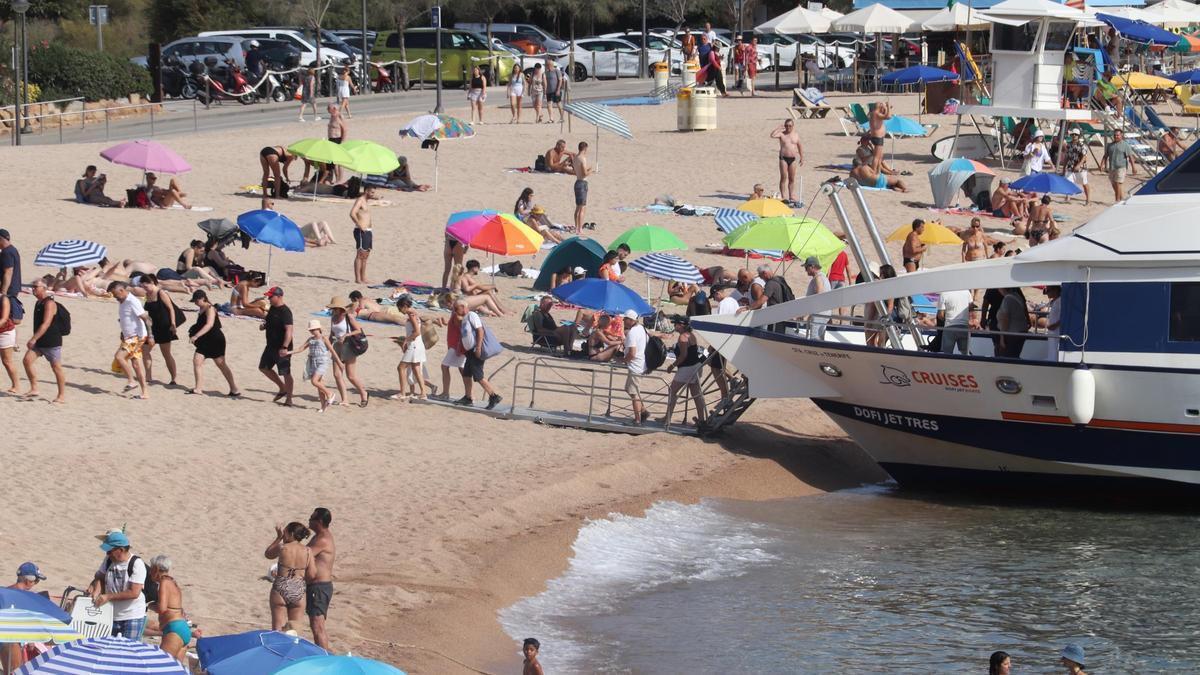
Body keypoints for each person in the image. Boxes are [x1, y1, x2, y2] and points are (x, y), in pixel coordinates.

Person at [89, 531, 148, 640]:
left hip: (132, 615)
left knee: (127, 652)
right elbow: (100, 577)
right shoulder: (108, 560)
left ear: (120, 550)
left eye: (110, 551)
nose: (107, 554)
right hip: (111, 614)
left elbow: (134, 592)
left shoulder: (136, 564)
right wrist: (96, 589)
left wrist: (108, 597)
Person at [185, 290, 239, 396]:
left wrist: (196, 336)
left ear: (202, 298)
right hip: (205, 340)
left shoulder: (210, 308)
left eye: (196, 301)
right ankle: (198, 388)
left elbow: (209, 324)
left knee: (221, 364)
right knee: (197, 361)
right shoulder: (201, 308)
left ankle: (234, 388)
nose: (195, 303)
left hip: (215, 339)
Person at [20, 279, 65, 403]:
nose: (33, 289)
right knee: (27, 361)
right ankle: (34, 388)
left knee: (56, 367)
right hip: (40, 341)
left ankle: (61, 395)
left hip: (51, 341)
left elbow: (46, 324)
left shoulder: (49, 303)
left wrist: (33, 338)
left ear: (44, 288)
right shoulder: (38, 303)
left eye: (35, 287)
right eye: (32, 286)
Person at [453, 298, 503, 409]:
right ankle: (468, 397)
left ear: (463, 307)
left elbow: (480, 330)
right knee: (466, 374)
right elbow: (465, 335)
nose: (455, 311)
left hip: (475, 350)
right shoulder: (464, 319)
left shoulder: (471, 315)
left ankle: (494, 396)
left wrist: (479, 348)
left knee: (478, 376)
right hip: (469, 351)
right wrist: (460, 347)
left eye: (456, 308)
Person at [265, 522, 313, 631]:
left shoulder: (282, 547)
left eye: (285, 533)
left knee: (277, 630)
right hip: (298, 588)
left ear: (291, 534)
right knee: (294, 631)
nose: (284, 535)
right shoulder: (308, 551)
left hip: (281, 586)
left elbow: (268, 554)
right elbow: (312, 574)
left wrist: (278, 538)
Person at [109, 281, 151, 399]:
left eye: (115, 293)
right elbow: (126, 319)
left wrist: (151, 336)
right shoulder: (122, 301)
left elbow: (146, 318)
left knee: (119, 357)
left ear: (122, 290)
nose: (114, 296)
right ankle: (145, 393)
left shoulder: (132, 301)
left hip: (136, 337)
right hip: (129, 336)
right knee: (136, 364)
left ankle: (131, 381)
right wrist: (123, 332)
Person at [662, 316, 705, 430]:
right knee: (696, 395)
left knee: (672, 390)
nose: (674, 326)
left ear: (681, 325)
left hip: (687, 368)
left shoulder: (682, 337)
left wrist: (672, 366)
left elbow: (683, 355)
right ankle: (702, 420)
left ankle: (667, 418)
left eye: (676, 324)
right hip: (696, 366)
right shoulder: (692, 335)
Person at [289, 319, 341, 412]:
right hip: (313, 363)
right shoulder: (310, 339)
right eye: (311, 330)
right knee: (319, 385)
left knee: (314, 381)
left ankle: (330, 394)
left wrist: (339, 362)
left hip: (322, 362)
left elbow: (332, 351)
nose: (312, 331)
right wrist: (288, 352)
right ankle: (323, 406)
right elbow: (301, 349)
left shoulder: (324, 338)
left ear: (319, 328)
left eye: (314, 329)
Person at [138, 274, 181, 386]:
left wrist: (173, 323)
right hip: (152, 327)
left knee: (166, 353)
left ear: (152, 283)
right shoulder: (147, 294)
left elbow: (171, 308)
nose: (145, 289)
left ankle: (174, 378)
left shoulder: (161, 293)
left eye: (146, 286)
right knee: (145, 350)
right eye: (143, 287)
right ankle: (148, 377)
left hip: (164, 327)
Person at [148, 556, 190, 664]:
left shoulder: (164, 582)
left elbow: (162, 609)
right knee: (176, 670)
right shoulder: (173, 582)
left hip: (174, 630)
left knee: (162, 667)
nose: (149, 573)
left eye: (151, 569)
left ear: (156, 569)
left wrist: (150, 605)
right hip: (182, 627)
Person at [327, 297, 367, 407]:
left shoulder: (348, 317)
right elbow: (332, 334)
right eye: (332, 308)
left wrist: (346, 335)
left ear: (340, 308)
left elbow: (358, 330)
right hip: (337, 347)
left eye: (335, 308)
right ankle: (345, 399)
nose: (333, 310)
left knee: (351, 376)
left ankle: (363, 393)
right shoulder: (333, 317)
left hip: (349, 346)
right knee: (337, 374)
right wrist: (328, 346)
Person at [306, 507, 336, 651]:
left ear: (318, 521)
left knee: (318, 626)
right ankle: (324, 655)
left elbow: (304, 556)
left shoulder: (323, 539)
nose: (309, 520)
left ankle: (325, 658)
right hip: (316, 587)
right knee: (315, 625)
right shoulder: (318, 536)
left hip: (319, 587)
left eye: (311, 518)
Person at [260, 286, 295, 405]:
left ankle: (289, 399)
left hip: (282, 347)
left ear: (279, 296)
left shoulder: (285, 312)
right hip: (270, 345)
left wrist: (284, 347)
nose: (269, 298)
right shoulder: (272, 309)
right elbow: (270, 321)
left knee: (285, 372)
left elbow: (289, 331)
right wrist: (264, 326)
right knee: (263, 368)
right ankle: (282, 387)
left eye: (271, 296)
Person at [392, 296, 427, 401]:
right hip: (418, 344)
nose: (399, 310)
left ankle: (402, 393)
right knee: (416, 370)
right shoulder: (414, 313)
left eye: (399, 308)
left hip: (414, 345)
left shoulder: (411, 315)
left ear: (405, 306)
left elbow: (417, 332)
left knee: (401, 368)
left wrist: (406, 340)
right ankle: (423, 393)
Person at [620, 309, 649, 425]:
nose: (623, 321)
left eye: (625, 319)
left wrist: (623, 360)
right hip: (640, 364)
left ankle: (638, 420)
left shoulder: (632, 333)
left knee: (633, 393)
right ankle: (643, 410)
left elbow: (632, 353)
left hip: (636, 366)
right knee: (629, 389)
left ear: (631, 320)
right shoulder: (641, 328)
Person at [436, 302, 465, 402]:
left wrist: (459, 347)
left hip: (455, 347)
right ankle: (469, 394)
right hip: (455, 346)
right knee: (462, 370)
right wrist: (445, 322)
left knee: (444, 366)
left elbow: (462, 331)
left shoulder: (457, 317)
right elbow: (454, 327)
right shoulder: (455, 316)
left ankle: (445, 393)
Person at [771, 118, 803, 206]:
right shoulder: (782, 134)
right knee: (783, 177)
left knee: (792, 178)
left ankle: (791, 196)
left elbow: (800, 146)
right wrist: (778, 128)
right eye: (786, 125)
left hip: (793, 159)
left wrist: (802, 157)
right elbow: (772, 135)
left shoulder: (796, 135)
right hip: (783, 158)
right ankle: (783, 196)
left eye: (790, 126)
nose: (788, 127)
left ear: (793, 126)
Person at [1103, 129, 1137, 202]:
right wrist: (1102, 164)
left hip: (1121, 167)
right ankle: (1121, 198)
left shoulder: (1125, 145)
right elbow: (1106, 155)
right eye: (1115, 135)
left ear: (1121, 136)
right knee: (1114, 184)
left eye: (1118, 135)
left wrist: (1133, 168)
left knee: (1118, 183)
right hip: (1112, 167)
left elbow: (1130, 157)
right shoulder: (1110, 145)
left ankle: (1117, 200)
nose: (1116, 136)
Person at [996, 287, 1030, 358]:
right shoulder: (1017, 296)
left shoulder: (1007, 299)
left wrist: (1002, 337)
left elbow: (1005, 320)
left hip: (1012, 334)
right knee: (1014, 356)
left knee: (1006, 357)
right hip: (1021, 331)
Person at [937, 288, 972, 355]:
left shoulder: (944, 293)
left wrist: (947, 320)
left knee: (947, 353)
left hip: (950, 327)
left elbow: (940, 315)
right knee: (965, 353)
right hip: (964, 327)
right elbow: (970, 306)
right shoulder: (966, 292)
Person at [351, 185, 375, 284]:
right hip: (361, 231)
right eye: (372, 192)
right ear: (366, 191)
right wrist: (360, 225)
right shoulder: (360, 200)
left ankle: (363, 277)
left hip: (368, 231)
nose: (373, 194)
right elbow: (352, 213)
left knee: (366, 255)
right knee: (360, 254)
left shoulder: (366, 202)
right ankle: (357, 279)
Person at [803, 256, 830, 339]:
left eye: (806, 267)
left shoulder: (818, 278)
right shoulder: (822, 277)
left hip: (819, 314)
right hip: (823, 313)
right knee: (820, 338)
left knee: (815, 339)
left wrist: (807, 314)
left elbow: (819, 296)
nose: (805, 270)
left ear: (812, 267)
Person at [1063, 129, 1090, 205]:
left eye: (1076, 134)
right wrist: (1064, 168)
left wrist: (1079, 165)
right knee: (1068, 182)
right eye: (1073, 134)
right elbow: (1067, 157)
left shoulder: (1082, 145)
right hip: (1070, 166)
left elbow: (1084, 156)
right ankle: (1068, 197)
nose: (1074, 136)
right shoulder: (1069, 145)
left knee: (1084, 183)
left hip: (1081, 168)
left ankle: (1088, 199)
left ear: (1078, 136)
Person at [0, 229, 20, 329]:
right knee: (9, 316)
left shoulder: (6, 252)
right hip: (14, 288)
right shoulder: (13, 250)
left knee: (7, 316)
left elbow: (8, 272)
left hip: (9, 290)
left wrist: (3, 292)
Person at [0, 292, 18, 393]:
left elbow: (4, 319)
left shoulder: (3, 299)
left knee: (6, 361)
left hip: (5, 332)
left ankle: (15, 385)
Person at [573, 141, 592, 234]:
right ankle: (579, 228)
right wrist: (591, 171)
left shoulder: (575, 158)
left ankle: (577, 227)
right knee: (582, 208)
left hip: (577, 182)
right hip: (582, 183)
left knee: (577, 207)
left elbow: (578, 171)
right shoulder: (582, 158)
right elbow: (584, 173)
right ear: (584, 149)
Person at [327, 104, 348, 183]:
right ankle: (337, 179)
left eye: (328, 108)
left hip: (338, 139)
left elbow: (345, 129)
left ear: (334, 108)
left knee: (339, 161)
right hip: (331, 139)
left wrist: (342, 141)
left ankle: (340, 179)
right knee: (333, 161)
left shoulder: (340, 116)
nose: (327, 110)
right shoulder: (332, 116)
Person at [867, 101, 891, 172]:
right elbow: (888, 117)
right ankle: (873, 171)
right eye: (881, 104)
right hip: (877, 137)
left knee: (880, 156)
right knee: (877, 157)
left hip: (877, 137)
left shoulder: (874, 113)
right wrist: (888, 107)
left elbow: (886, 115)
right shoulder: (876, 113)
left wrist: (886, 108)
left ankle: (878, 171)